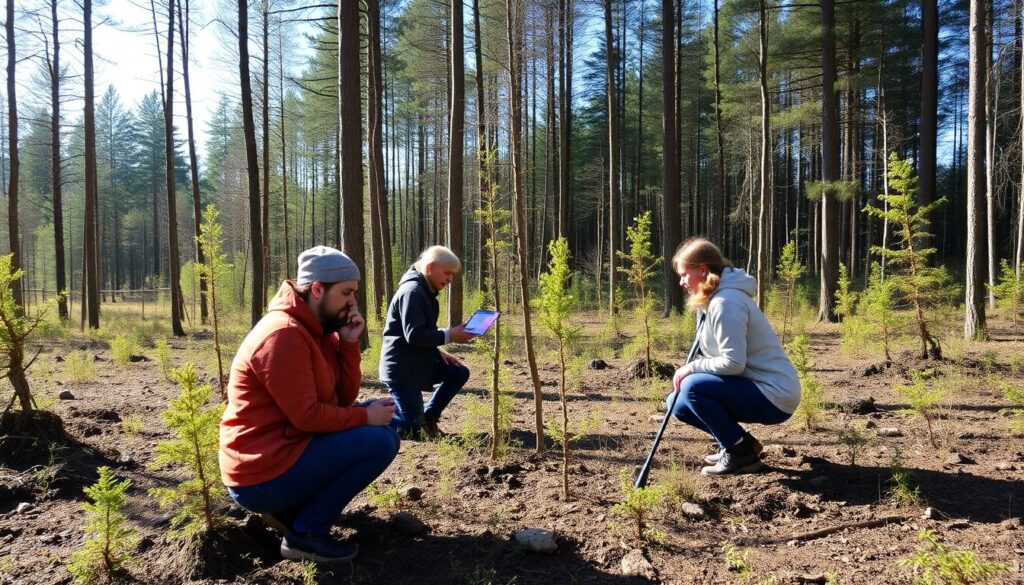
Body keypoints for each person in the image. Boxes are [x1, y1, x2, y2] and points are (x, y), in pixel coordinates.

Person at [219, 246, 400, 563]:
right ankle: (305, 535)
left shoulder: (319, 330)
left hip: (284, 452)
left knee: (378, 417)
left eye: (354, 293)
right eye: (346, 292)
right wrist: (363, 417)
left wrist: (348, 345)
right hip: (260, 473)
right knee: (379, 441)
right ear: (317, 289)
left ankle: (295, 511)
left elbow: (341, 399)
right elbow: (308, 417)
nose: (352, 304)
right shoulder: (284, 335)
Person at [666, 238, 801, 476]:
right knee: (676, 403)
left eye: (685, 274)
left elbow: (733, 363)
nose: (681, 281)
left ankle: (740, 456)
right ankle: (739, 444)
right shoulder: (711, 301)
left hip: (774, 393)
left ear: (703, 270)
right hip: (752, 385)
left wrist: (691, 368)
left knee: (692, 387)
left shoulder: (726, 302)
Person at [380, 245, 476, 439]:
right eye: (447, 273)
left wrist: (437, 351)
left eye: (452, 275)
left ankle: (428, 417)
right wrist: (449, 335)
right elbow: (414, 335)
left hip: (417, 361)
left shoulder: (424, 290)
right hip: (402, 370)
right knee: (411, 430)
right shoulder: (413, 292)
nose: (450, 279)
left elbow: (419, 332)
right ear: (430, 267)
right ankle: (364, 414)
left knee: (457, 372)